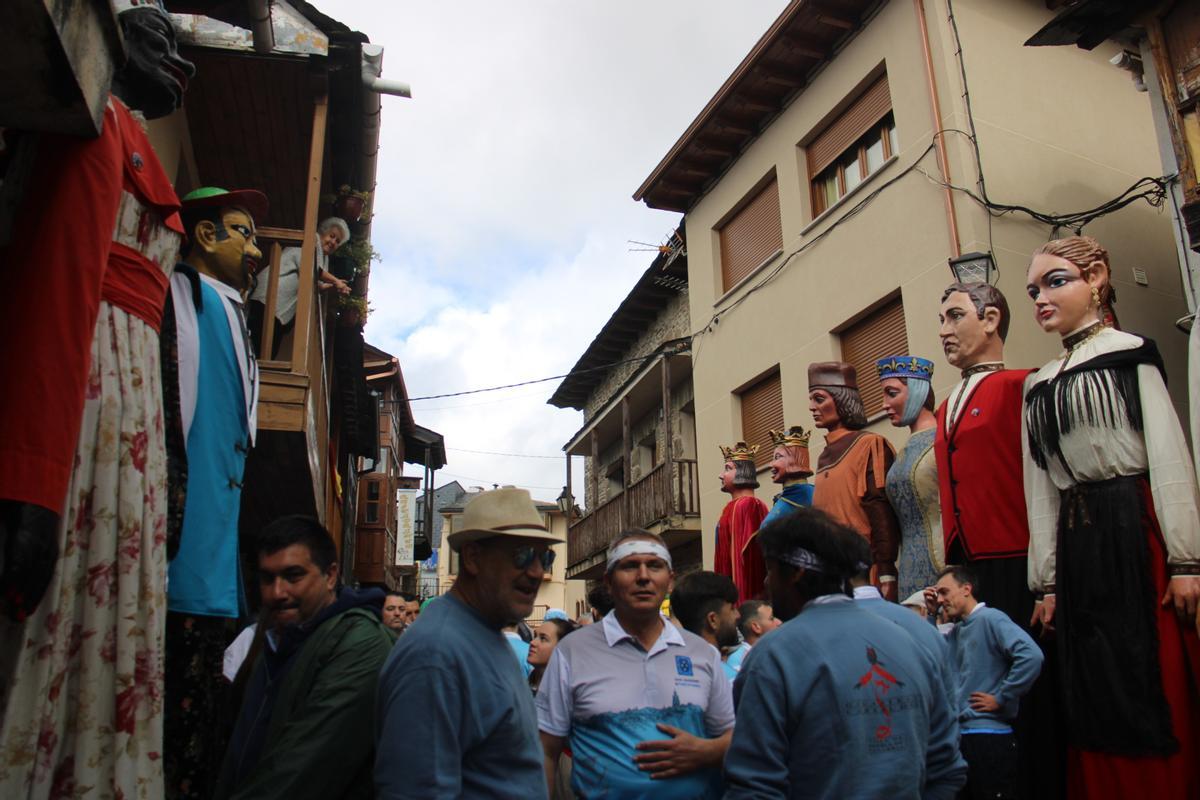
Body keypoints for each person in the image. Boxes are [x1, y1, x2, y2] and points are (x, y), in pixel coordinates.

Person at [0, 3, 194, 796]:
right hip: (92, 396)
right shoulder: (99, 129)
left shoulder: (134, 138)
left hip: (131, 407)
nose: (177, 57)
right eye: (159, 34)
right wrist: (32, 478)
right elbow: (56, 279)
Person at [1022, 236, 1200, 798]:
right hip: (1077, 547)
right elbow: (1042, 488)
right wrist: (1046, 580)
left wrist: (1186, 559)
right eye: (1033, 290)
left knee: (1144, 673)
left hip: (1133, 530)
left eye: (1056, 282)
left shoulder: (1131, 353)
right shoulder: (1038, 382)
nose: (1040, 299)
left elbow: (1169, 457)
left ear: (1096, 277)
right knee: (1089, 679)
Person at [723, 507, 966, 799]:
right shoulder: (914, 639)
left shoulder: (774, 657)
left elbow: (754, 786)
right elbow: (946, 768)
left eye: (771, 570)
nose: (765, 584)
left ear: (797, 572)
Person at [163, 185, 267, 800]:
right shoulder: (181, 293)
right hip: (179, 543)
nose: (255, 247)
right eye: (243, 232)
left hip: (213, 552)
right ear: (205, 236)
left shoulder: (230, 309)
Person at [376, 487, 561, 798]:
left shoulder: (484, 632)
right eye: (523, 555)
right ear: (474, 558)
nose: (537, 571)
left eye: (545, 556)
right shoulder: (435, 655)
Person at [537, 530, 735, 799]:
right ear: (608, 582)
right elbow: (546, 751)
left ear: (670, 581)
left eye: (654, 565)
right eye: (630, 565)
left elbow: (733, 735)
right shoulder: (572, 652)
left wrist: (707, 751)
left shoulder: (703, 653)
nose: (643, 576)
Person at [214, 516, 394, 799]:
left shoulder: (360, 644)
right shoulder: (276, 638)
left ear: (331, 575)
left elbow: (303, 770)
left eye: (293, 576)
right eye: (267, 578)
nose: (277, 592)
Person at [934, 283, 1033, 624]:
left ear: (990, 319)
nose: (944, 330)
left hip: (1016, 555)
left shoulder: (1022, 386)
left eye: (955, 317)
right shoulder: (945, 407)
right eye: (942, 320)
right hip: (965, 563)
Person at [930, 565, 1042, 800]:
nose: (941, 599)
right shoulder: (958, 630)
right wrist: (933, 615)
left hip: (988, 738)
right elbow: (937, 660)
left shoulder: (991, 618)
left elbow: (1031, 655)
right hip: (962, 738)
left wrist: (1003, 696)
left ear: (966, 589)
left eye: (945, 592)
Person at [808, 361, 901, 600]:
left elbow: (879, 509)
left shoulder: (869, 445)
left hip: (864, 575)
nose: (812, 407)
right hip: (829, 574)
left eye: (819, 399)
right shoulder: (822, 457)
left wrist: (886, 570)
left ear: (841, 400)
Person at [877, 355, 945, 600]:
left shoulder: (942, 442)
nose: (885, 404)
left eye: (891, 394)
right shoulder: (903, 451)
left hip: (943, 566)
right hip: (908, 571)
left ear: (917, 391)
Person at [247, 216, 350, 359]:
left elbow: (317, 283)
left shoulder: (323, 258)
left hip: (278, 310)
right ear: (323, 232)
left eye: (337, 241)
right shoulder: (310, 242)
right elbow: (309, 266)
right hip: (266, 299)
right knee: (255, 347)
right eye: (331, 236)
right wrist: (335, 281)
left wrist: (334, 285)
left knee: (266, 352)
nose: (333, 242)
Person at [714, 442, 770, 603]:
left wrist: (741, 603)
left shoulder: (749, 505)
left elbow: (748, 557)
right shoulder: (730, 508)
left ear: (743, 471)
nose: (721, 475)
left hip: (745, 599)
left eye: (727, 469)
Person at [671, 570, 742, 680]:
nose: (738, 615)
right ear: (713, 620)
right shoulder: (727, 679)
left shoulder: (673, 670)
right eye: (732, 609)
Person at [761, 425, 815, 527]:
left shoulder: (814, 496)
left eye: (778, 457)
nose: (771, 464)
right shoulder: (784, 498)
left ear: (795, 458)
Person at [725, 599, 781, 673]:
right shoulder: (738, 660)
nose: (779, 622)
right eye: (771, 618)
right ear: (756, 627)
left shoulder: (772, 652)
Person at [528, 618, 579, 693]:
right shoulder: (525, 682)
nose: (532, 642)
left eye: (543, 639)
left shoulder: (566, 691)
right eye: (535, 636)